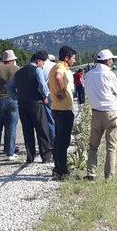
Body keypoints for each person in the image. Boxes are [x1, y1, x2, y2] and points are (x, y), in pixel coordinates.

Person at [84, 49, 117, 181]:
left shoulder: (88, 74)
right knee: (111, 147)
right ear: (107, 61)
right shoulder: (109, 74)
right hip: (111, 112)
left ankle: (91, 174)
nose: (112, 61)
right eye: (112, 59)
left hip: (96, 112)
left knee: (93, 146)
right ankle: (109, 177)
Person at [8, 53, 52, 163]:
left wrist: (17, 97)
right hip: (36, 103)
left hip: (22, 103)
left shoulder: (19, 72)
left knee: (27, 130)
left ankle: (30, 156)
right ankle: (45, 156)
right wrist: (45, 96)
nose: (42, 65)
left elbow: (9, 87)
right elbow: (42, 85)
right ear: (38, 61)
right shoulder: (37, 70)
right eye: (42, 63)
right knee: (42, 130)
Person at [48, 45, 77, 179]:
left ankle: (59, 168)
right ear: (66, 58)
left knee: (60, 140)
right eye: (73, 58)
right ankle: (61, 170)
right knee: (63, 141)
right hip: (63, 109)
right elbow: (58, 76)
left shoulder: (56, 66)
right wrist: (61, 91)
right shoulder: (60, 67)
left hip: (58, 108)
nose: (75, 61)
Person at [38, 50, 56, 147]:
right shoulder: (54, 66)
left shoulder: (39, 66)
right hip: (52, 94)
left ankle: (48, 143)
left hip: (42, 96)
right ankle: (54, 142)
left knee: (45, 121)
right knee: (53, 119)